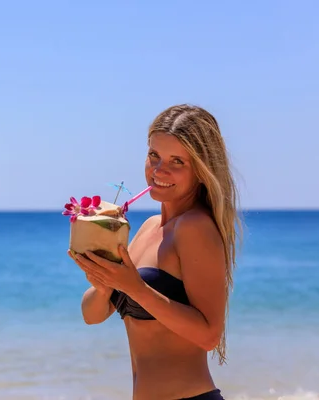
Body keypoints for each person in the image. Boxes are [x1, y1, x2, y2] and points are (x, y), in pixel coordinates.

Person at [69, 104, 242, 400]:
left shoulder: (195, 228)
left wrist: (136, 289)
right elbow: (92, 315)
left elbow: (210, 335)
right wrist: (103, 284)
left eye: (177, 161)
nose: (159, 170)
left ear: (202, 169)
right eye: (154, 156)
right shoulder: (149, 227)